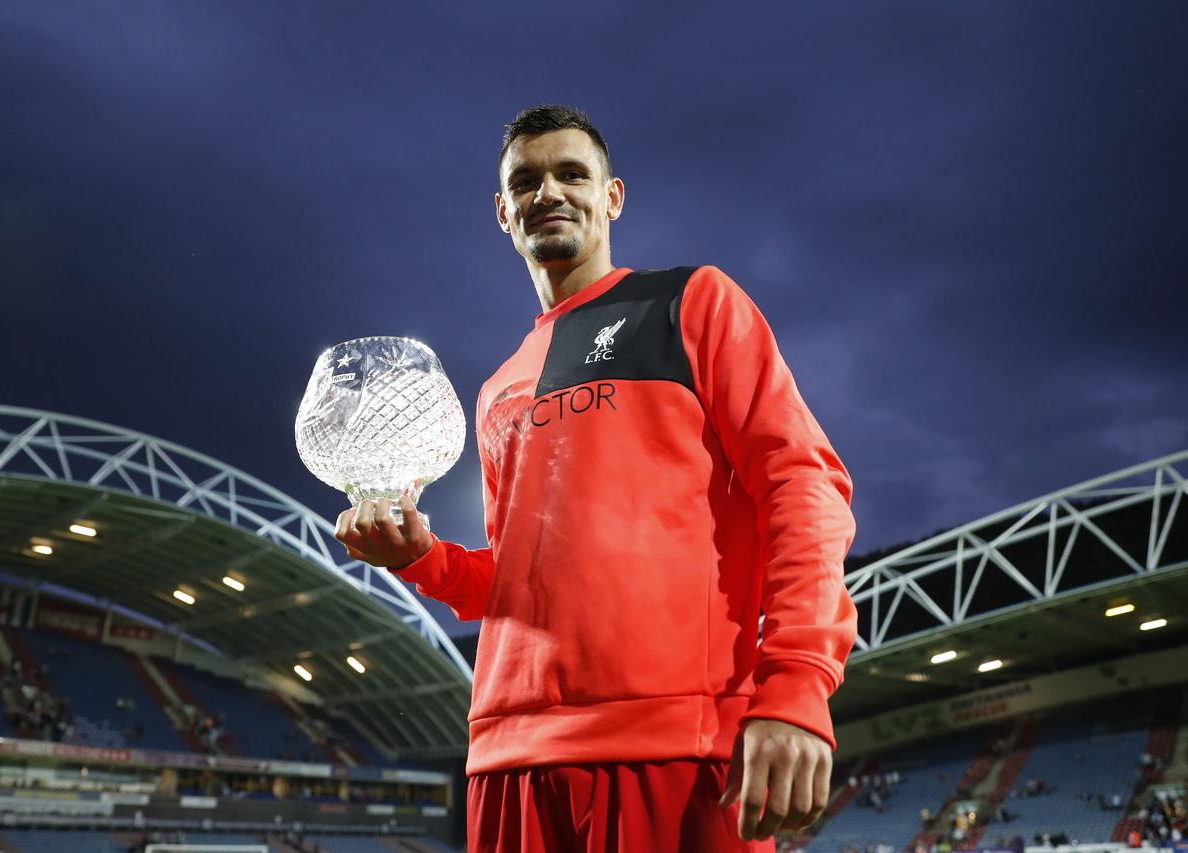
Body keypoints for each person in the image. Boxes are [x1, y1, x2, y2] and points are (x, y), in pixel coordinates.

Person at [334, 104, 857, 852]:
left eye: (571, 173)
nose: (548, 191)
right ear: (502, 212)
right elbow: (518, 581)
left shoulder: (689, 304)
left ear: (612, 195)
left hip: (671, 749)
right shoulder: (495, 390)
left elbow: (802, 484)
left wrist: (799, 679)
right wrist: (421, 558)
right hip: (507, 762)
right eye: (526, 180)